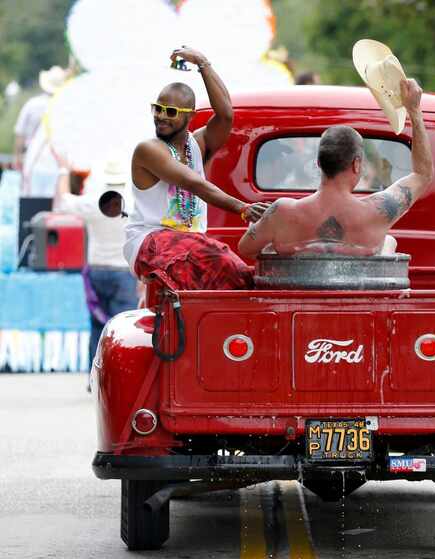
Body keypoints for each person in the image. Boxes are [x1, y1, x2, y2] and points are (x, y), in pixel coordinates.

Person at [123, 47, 269, 290]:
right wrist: (242, 208)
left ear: (190, 116)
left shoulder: (197, 146)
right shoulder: (148, 150)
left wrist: (203, 64)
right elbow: (194, 184)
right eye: (157, 109)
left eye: (170, 112)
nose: (161, 116)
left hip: (190, 243)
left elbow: (226, 116)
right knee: (219, 258)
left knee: (239, 279)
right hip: (150, 241)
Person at [237, 79, 433, 258]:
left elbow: (245, 249)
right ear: (356, 164)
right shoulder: (379, 211)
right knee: (388, 242)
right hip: (358, 296)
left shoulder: (281, 212)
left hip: (297, 297)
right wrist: (414, 111)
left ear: (319, 163)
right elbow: (422, 174)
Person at [53, 155, 138, 364]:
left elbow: (62, 202)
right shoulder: (135, 202)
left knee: (98, 325)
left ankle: (95, 374)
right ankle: (120, 372)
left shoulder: (93, 201)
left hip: (97, 269)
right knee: (123, 329)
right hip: (124, 270)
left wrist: (63, 171)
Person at [14, 66, 67, 171]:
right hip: (55, 161)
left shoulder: (32, 104)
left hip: (31, 156)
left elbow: (20, 133)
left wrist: (17, 157)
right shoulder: (64, 107)